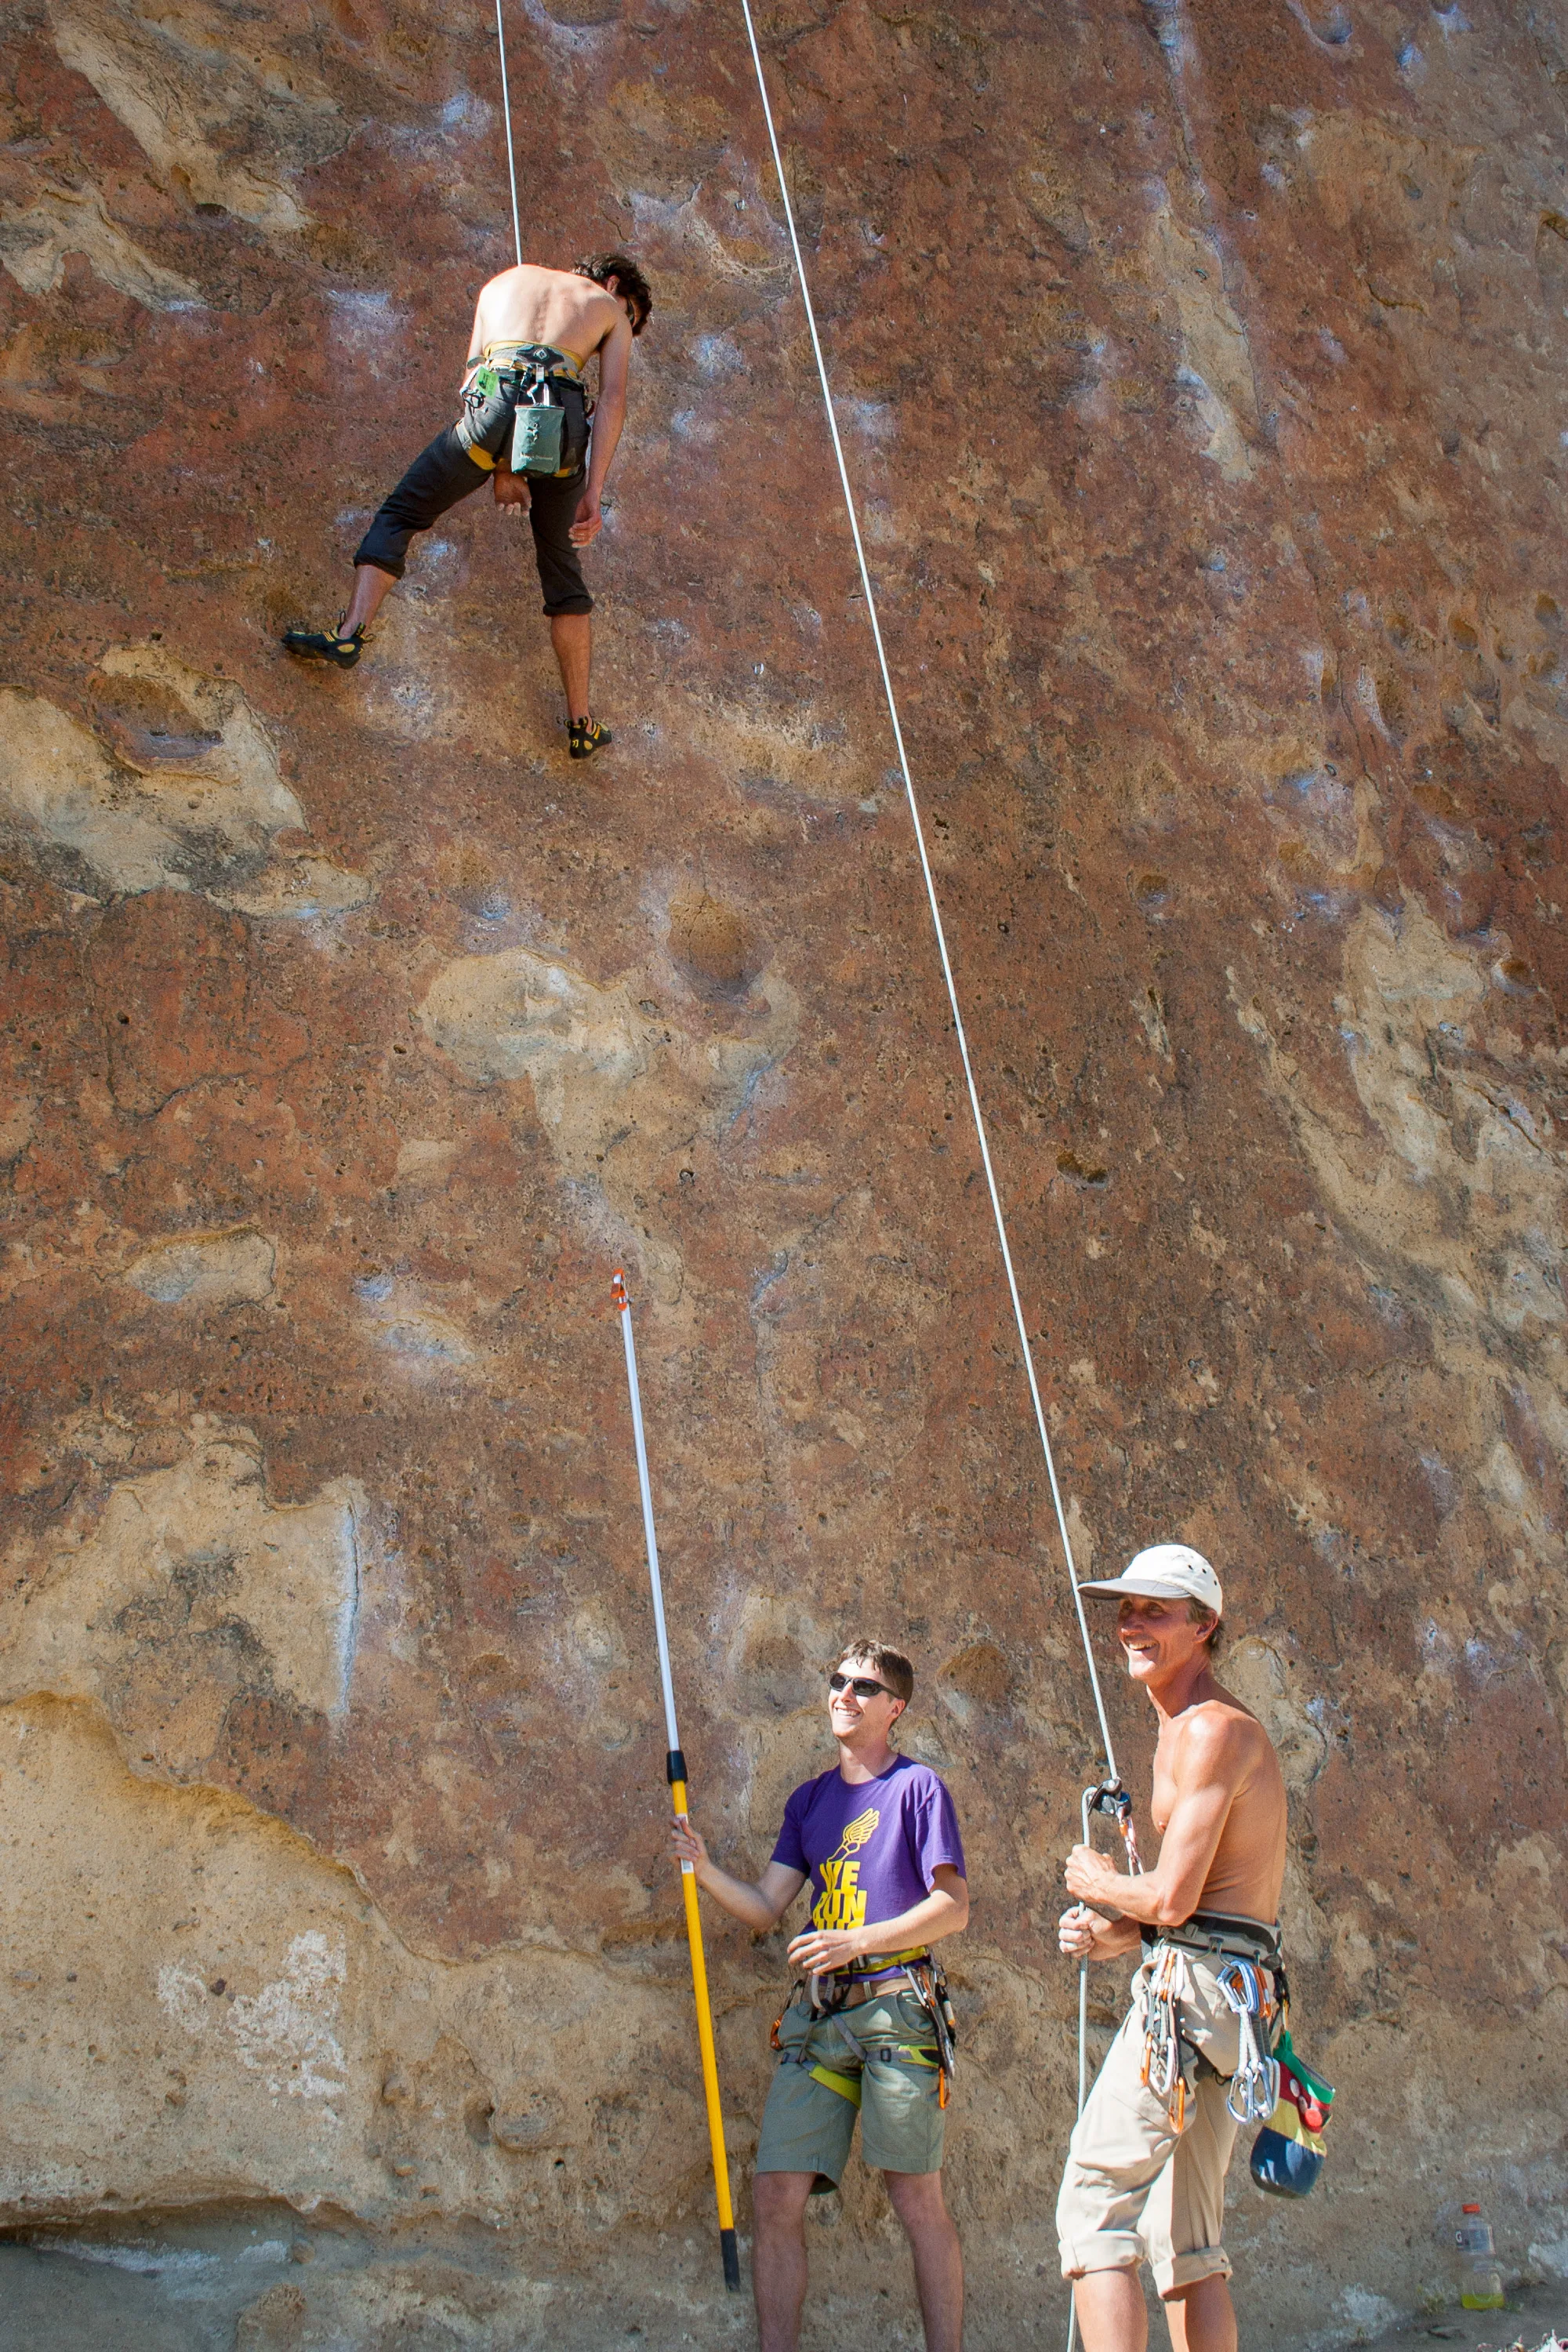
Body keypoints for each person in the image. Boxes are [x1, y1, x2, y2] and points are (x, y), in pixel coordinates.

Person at [672, 1642, 968, 2352]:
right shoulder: (808, 1800)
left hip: (897, 2007)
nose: (845, 1694)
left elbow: (952, 1908)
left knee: (913, 2195)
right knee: (776, 2195)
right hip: (821, 2015)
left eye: (865, 1686)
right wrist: (705, 1870)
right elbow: (768, 1905)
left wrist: (855, 1941)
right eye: (838, 1681)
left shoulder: (918, 1788)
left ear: (894, 1708)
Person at [282, 252, 652, 760]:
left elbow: (475, 380)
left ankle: (350, 632)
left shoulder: (501, 284)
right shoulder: (608, 307)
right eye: (631, 313)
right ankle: (581, 723)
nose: (626, 321)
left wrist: (502, 468)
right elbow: (612, 400)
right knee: (563, 575)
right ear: (613, 285)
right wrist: (593, 491)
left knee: (402, 513)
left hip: (492, 408)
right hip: (561, 426)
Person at [1055, 1544, 1287, 2352]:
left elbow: (1170, 1897)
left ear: (1204, 1627)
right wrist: (1119, 1931)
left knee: (1091, 2205)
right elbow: (1198, 1905)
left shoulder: (1211, 1731)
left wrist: (1097, 1882)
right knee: (1182, 2242)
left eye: (1156, 1610)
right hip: (1229, 1997)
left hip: (1196, 1996)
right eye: (1126, 1609)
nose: (1132, 1624)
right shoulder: (1184, 1731)